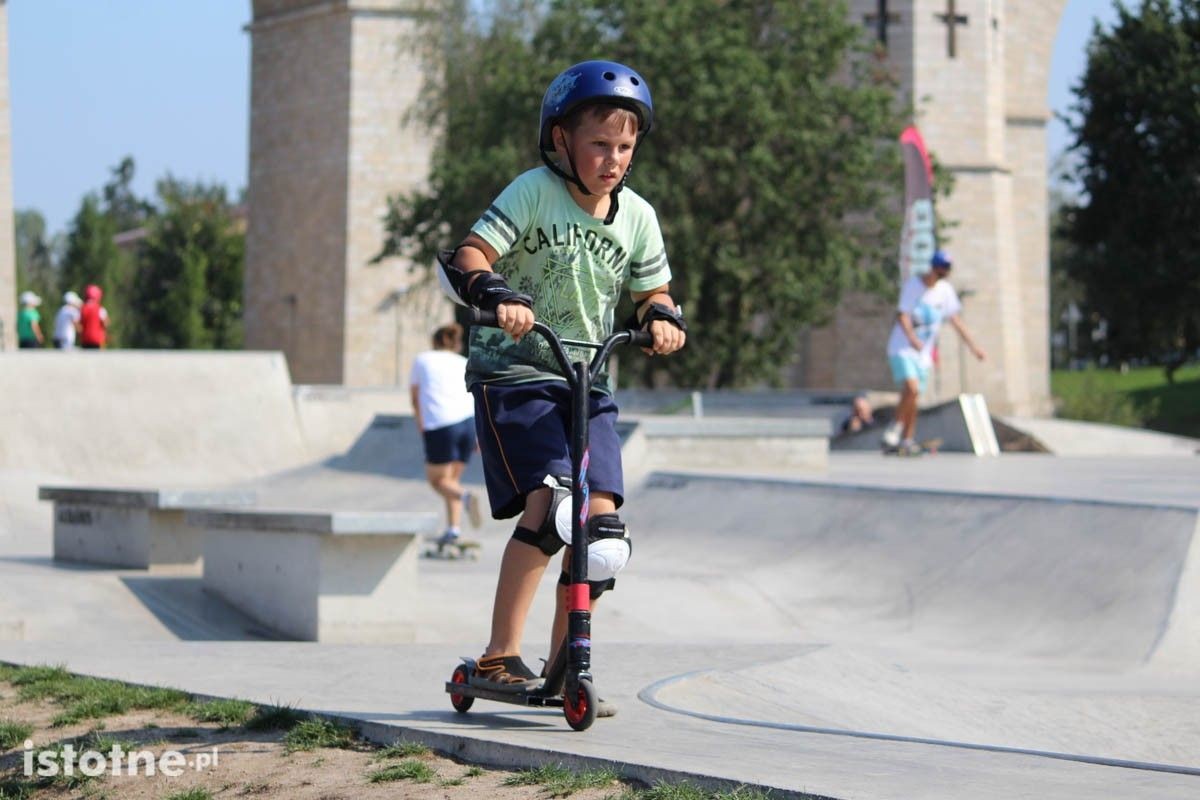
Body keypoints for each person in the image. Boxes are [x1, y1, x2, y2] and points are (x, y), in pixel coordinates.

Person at [437, 60, 686, 692]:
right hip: (515, 373)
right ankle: (498, 656)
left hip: (587, 383)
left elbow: (653, 291)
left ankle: (565, 667)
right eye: (599, 144)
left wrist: (660, 316)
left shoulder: (637, 216)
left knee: (601, 533)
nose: (613, 160)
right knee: (552, 506)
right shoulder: (532, 191)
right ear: (560, 140)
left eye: (624, 147)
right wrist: (496, 292)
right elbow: (471, 253)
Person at [882, 249, 986, 455]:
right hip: (902, 347)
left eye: (947, 270)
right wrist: (912, 338)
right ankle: (896, 425)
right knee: (911, 389)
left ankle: (906, 439)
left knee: (914, 398)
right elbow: (902, 315)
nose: (943, 274)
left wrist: (974, 347)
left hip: (923, 354)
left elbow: (956, 321)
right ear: (933, 267)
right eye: (941, 269)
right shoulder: (914, 285)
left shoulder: (945, 291)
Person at [409, 322, 483, 547]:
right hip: (468, 424)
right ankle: (453, 530)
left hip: (441, 425)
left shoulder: (422, 360)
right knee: (452, 481)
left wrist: (421, 424)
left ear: (435, 341)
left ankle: (466, 497)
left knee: (438, 481)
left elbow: (415, 397)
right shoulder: (463, 362)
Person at [79, 284, 109, 349]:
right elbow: (105, 324)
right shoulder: (100, 309)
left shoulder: (82, 308)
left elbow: (79, 324)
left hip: (85, 339)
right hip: (98, 340)